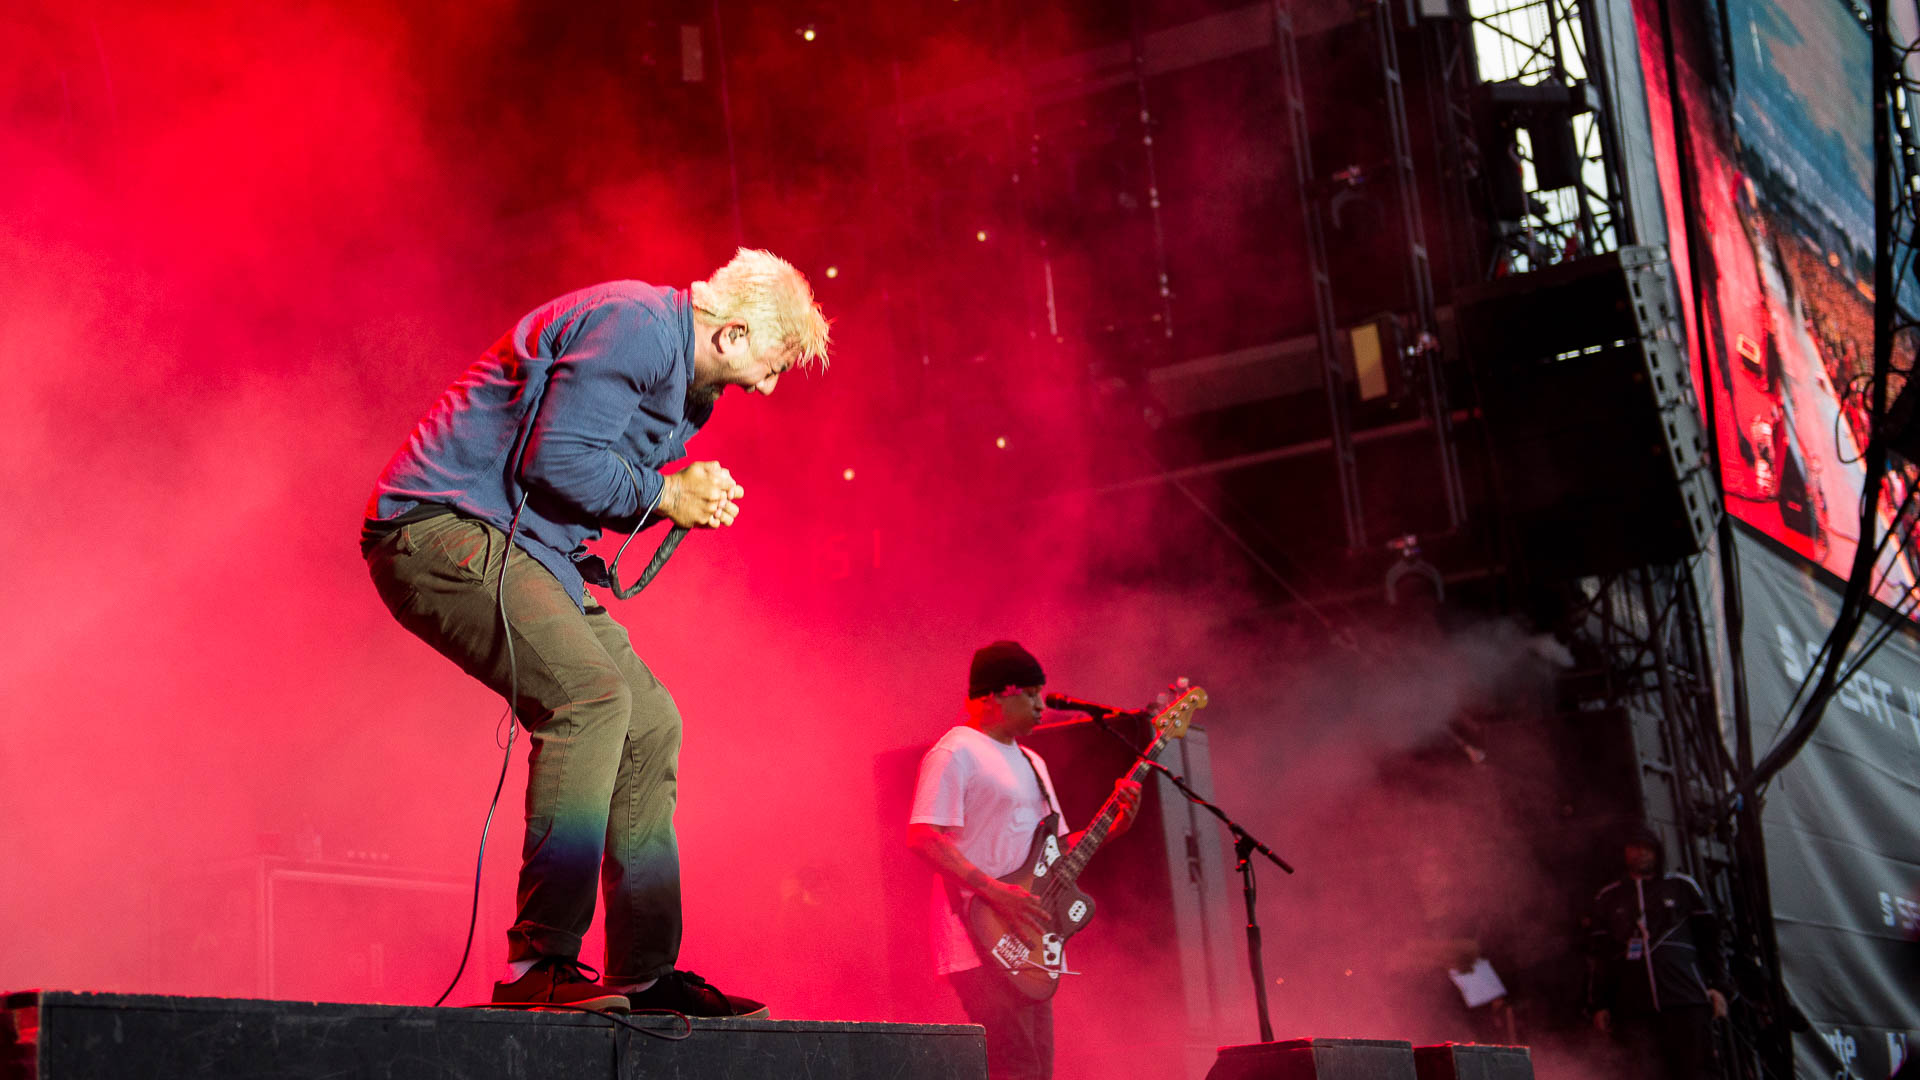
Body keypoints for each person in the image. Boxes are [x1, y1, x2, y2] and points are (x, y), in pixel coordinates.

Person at [361, 249, 829, 1014]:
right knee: (591, 699)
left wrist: (674, 491)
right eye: (770, 366)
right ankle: (535, 965)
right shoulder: (638, 326)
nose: (766, 388)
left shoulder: (680, 381)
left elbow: (588, 475)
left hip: (527, 553)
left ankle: (642, 975)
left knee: (651, 724)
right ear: (732, 333)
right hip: (439, 528)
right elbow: (558, 461)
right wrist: (667, 492)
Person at [907, 641, 1143, 1080]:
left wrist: (1115, 828)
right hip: (978, 938)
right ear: (997, 694)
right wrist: (997, 892)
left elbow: (1056, 853)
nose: (1041, 706)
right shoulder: (955, 751)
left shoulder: (1032, 761)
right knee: (1014, 1066)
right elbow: (923, 837)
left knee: (1036, 1069)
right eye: (1032, 693)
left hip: (1029, 939)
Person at [1588, 825, 1731, 1079]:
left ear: (1657, 851)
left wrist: (1718, 986)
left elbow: (1711, 940)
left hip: (1685, 1001)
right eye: (1634, 847)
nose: (1640, 854)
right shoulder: (1608, 898)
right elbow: (1601, 957)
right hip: (1635, 1009)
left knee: (1697, 1072)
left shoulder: (1681, 886)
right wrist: (1599, 1004)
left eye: (1646, 848)